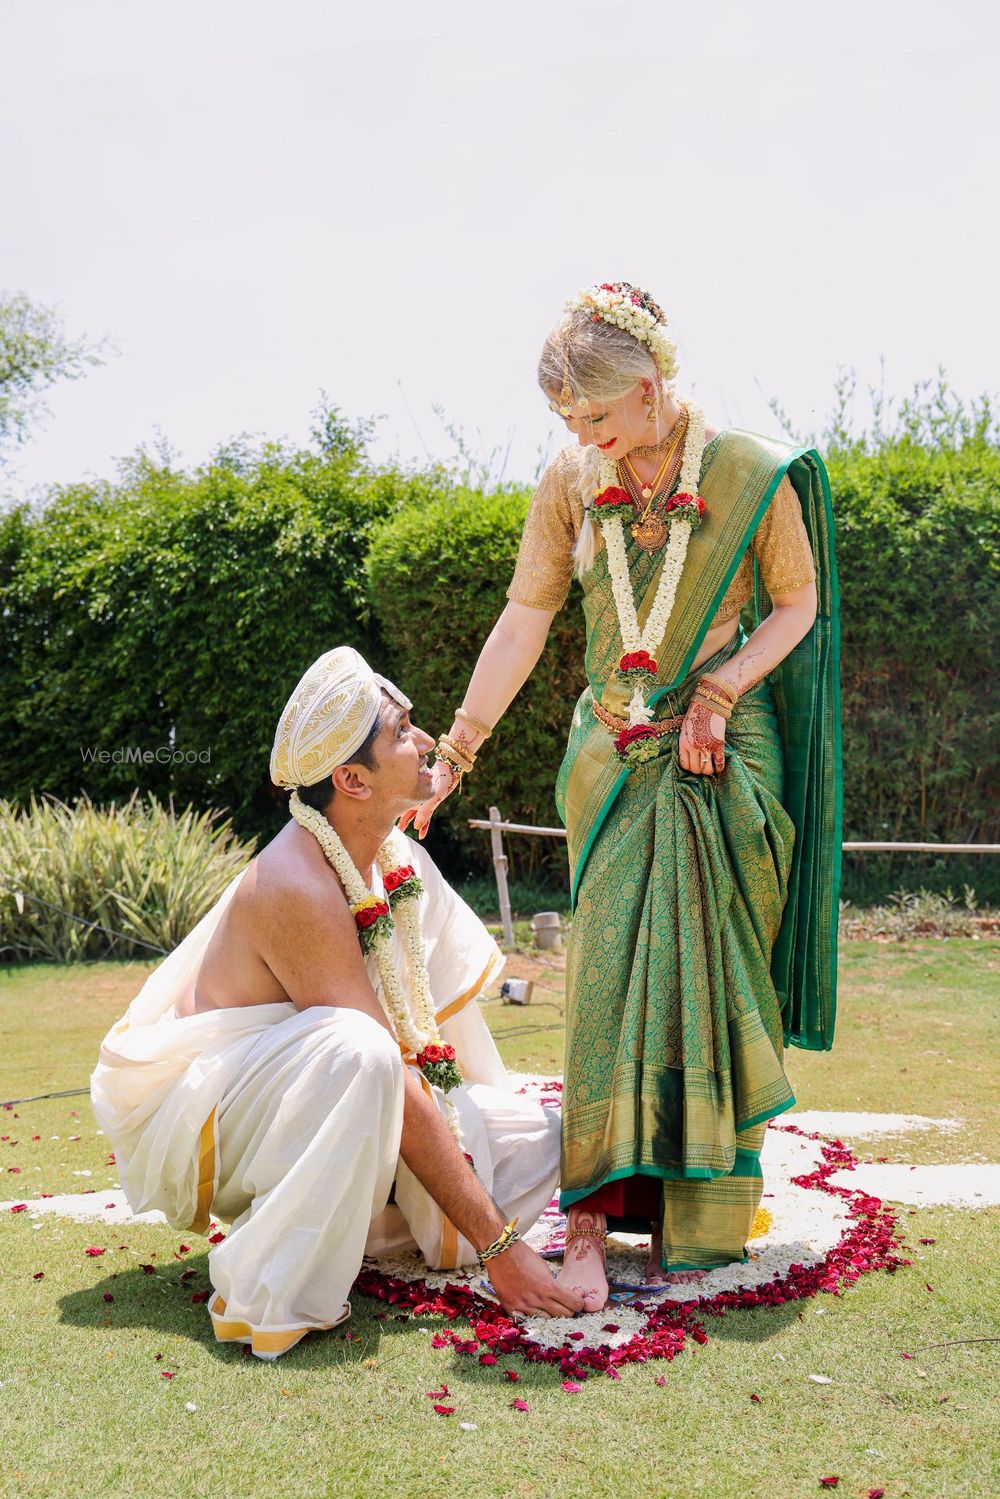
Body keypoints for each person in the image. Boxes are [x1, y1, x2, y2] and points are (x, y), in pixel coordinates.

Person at [403, 281, 841, 1311]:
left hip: (721, 765)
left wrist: (723, 689)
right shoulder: (568, 482)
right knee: (600, 983)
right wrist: (458, 747)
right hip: (611, 758)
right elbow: (525, 615)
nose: (586, 437)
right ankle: (590, 1220)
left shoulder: (744, 473)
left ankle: (699, 1211)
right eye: (568, 422)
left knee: (708, 973)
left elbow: (798, 601)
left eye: (599, 415)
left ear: (650, 389)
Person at [91, 647, 584, 1358]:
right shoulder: (295, 883)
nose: (423, 741)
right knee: (361, 1049)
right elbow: (380, 1061)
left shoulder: (395, 856)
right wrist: (499, 1242)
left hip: (339, 1098)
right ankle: (272, 1283)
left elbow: (444, 1032)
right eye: (402, 732)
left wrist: (479, 1137)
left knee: (545, 1139)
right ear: (352, 779)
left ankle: (366, 1227)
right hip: (235, 1127)